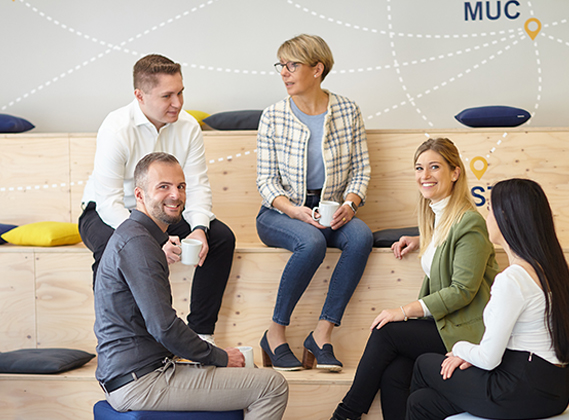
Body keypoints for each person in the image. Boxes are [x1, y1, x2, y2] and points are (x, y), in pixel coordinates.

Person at [94, 152, 288, 418]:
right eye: (163, 187)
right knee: (272, 386)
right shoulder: (138, 244)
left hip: (141, 372)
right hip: (140, 382)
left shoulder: (138, 238)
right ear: (139, 195)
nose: (176, 194)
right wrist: (219, 357)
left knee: (243, 380)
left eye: (181, 186)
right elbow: (164, 327)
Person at [331, 138, 500, 420]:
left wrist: (404, 310)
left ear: (455, 172)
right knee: (396, 371)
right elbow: (448, 242)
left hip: (467, 330)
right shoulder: (438, 220)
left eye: (435, 167)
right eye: (419, 168)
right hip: (445, 324)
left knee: (387, 331)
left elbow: (462, 290)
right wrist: (421, 240)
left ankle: (346, 414)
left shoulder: (470, 222)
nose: (425, 175)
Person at [79, 54, 235, 345]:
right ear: (139, 95)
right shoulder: (116, 127)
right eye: (167, 95)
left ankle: (201, 335)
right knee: (111, 249)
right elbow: (108, 200)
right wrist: (148, 241)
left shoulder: (188, 127)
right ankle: (116, 340)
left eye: (180, 92)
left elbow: (198, 184)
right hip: (109, 213)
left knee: (221, 237)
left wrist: (200, 227)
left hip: (164, 211)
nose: (177, 103)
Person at [406, 178, 569, 420]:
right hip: (556, 390)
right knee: (422, 402)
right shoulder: (551, 271)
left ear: (506, 217)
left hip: (519, 391)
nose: (485, 216)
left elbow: (489, 359)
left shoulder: (512, 279)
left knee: (424, 363)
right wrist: (470, 356)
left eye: (489, 209)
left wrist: (460, 349)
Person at [256, 34, 373, 372]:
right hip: (280, 211)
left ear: (317, 69)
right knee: (310, 242)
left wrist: (351, 203)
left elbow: (361, 170)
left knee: (361, 236)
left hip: (331, 208)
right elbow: (265, 181)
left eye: (292, 65)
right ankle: (275, 334)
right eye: (281, 65)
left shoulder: (348, 111)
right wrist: (294, 211)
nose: (284, 72)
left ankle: (322, 335)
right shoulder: (273, 116)